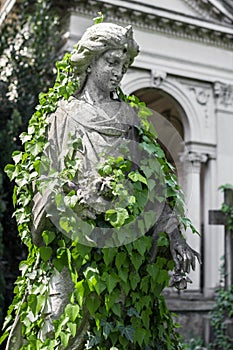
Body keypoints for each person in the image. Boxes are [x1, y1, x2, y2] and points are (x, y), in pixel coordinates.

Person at [5, 22, 200, 349]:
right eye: (111, 62)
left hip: (119, 251)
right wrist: (79, 200)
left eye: (123, 66)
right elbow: (43, 188)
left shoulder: (129, 119)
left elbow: (151, 187)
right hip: (71, 251)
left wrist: (175, 234)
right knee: (56, 325)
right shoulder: (63, 116)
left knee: (114, 330)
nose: (117, 73)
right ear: (91, 60)